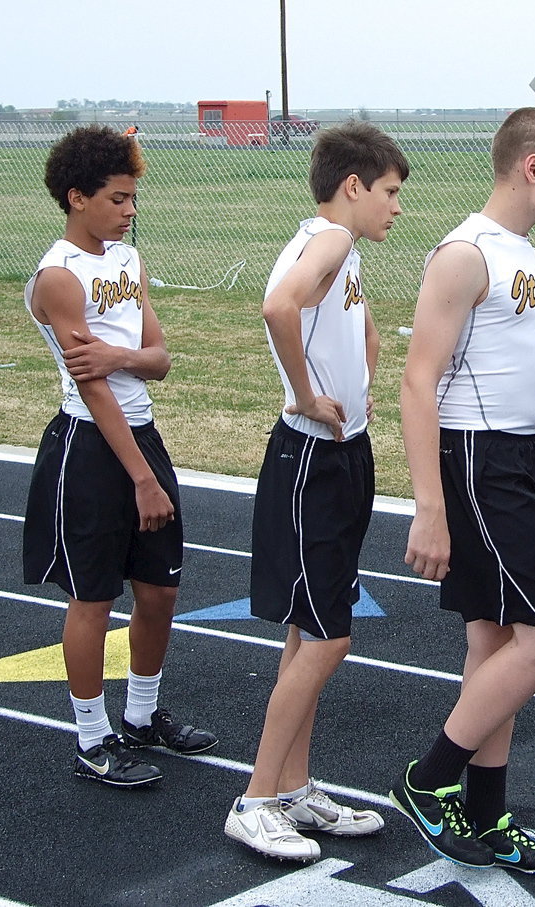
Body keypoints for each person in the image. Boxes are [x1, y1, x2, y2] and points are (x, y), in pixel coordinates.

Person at [391, 107, 535, 874]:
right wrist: (430, 507)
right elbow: (416, 382)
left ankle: (486, 813)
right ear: (532, 167)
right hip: (480, 461)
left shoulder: (525, 254)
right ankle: (427, 778)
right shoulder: (467, 253)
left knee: (495, 641)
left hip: (522, 454)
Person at [223, 122, 407, 861]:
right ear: (354, 186)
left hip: (339, 456)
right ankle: (256, 798)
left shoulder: (339, 246)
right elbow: (277, 307)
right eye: (391, 193)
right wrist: (304, 393)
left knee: (307, 631)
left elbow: (328, 312)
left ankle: (293, 788)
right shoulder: (329, 240)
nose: (398, 207)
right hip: (311, 460)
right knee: (329, 635)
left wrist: (361, 346)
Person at [22, 125, 216, 787]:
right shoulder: (59, 276)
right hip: (92, 449)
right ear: (78, 197)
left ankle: (141, 715)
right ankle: (91, 737)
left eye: (134, 198)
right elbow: (93, 387)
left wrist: (121, 353)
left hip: (145, 436)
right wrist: (141, 478)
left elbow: (158, 360)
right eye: (118, 198)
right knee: (93, 598)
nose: (131, 209)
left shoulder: (127, 264)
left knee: (160, 589)